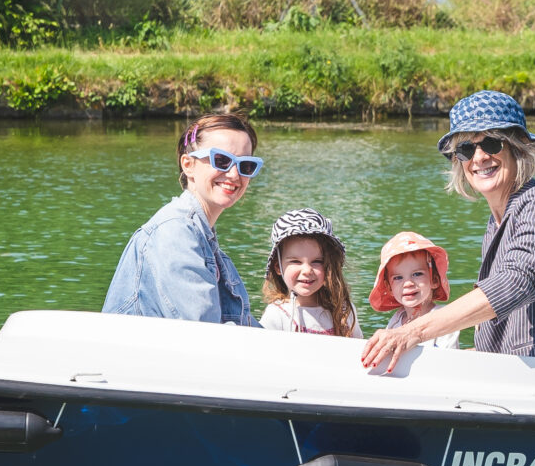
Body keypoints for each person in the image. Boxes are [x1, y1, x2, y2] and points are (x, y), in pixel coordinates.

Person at [359, 90, 535, 370]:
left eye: (491, 143)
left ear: (518, 147)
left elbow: (516, 282)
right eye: (466, 149)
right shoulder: (496, 222)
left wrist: (413, 332)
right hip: (514, 374)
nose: (478, 158)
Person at [103, 113, 262, 324]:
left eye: (246, 165)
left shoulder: (205, 241)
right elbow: (203, 331)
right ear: (188, 165)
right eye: (222, 160)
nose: (234, 174)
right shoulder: (174, 232)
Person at [260, 209, 363, 337]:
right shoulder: (277, 315)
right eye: (296, 261)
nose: (307, 270)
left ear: (329, 265)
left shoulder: (344, 312)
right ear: (278, 267)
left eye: (317, 261)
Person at [369, 231, 460, 349]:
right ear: (389, 287)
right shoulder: (397, 320)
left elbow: (449, 361)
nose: (408, 283)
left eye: (417, 274)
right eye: (398, 278)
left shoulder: (442, 318)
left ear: (435, 280)